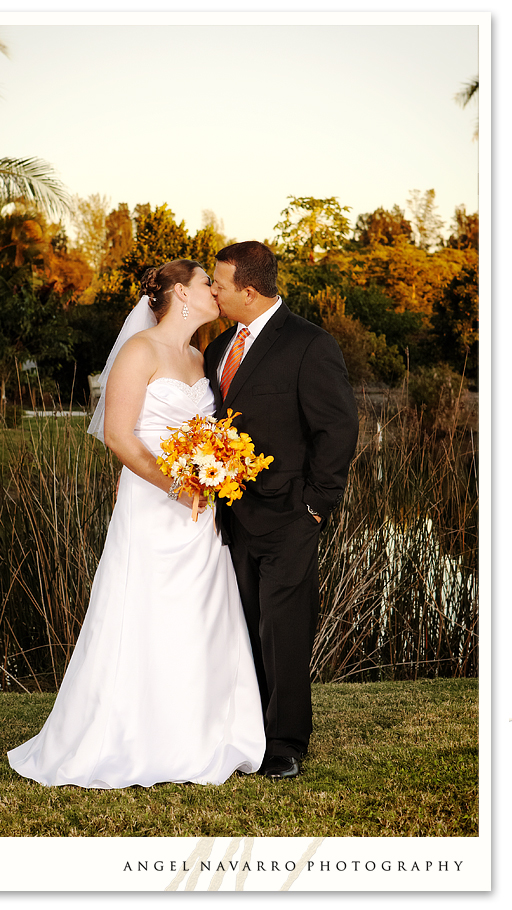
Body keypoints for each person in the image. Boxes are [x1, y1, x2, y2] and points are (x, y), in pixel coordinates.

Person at [7, 260, 266, 788]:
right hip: (154, 507)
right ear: (180, 293)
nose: (216, 292)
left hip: (201, 513)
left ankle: (199, 735)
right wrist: (177, 484)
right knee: (144, 613)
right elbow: (119, 436)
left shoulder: (201, 356)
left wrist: (215, 470)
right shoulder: (139, 351)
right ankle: (128, 736)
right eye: (205, 284)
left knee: (199, 617)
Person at [204, 241, 359, 780]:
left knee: (285, 630)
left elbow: (336, 429)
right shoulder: (218, 347)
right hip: (230, 517)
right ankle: (249, 730)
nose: (213, 291)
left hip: (291, 514)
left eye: (219, 284)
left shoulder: (309, 344)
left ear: (248, 290)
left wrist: (316, 506)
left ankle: (287, 742)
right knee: (245, 626)